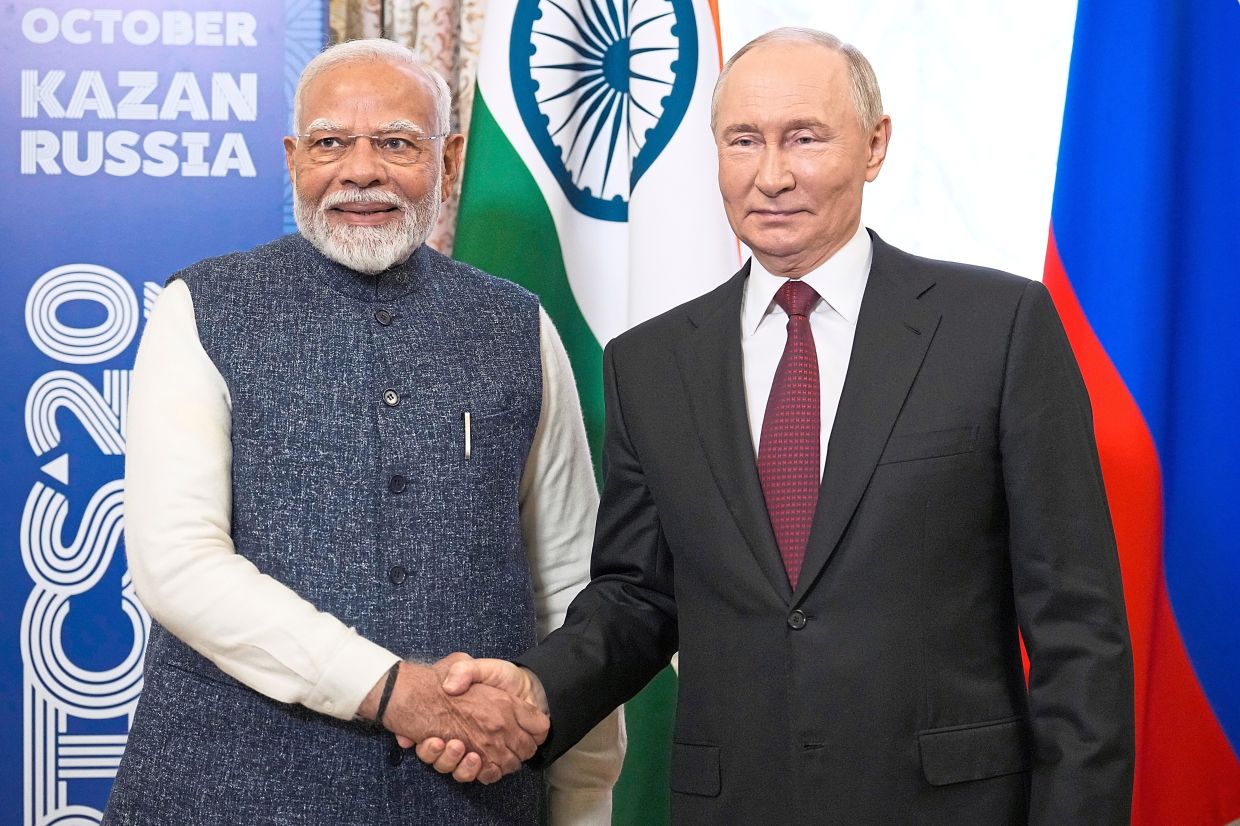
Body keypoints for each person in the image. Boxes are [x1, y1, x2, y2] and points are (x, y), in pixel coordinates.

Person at [419, 27, 1135, 825]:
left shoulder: (997, 328)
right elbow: (638, 597)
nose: (771, 176)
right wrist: (539, 691)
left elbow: (1078, 630)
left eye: (804, 138)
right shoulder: (650, 364)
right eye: (743, 141)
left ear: (874, 146)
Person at [103, 38, 622, 826]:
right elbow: (178, 564)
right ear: (292, 158)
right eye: (329, 143)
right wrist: (393, 692)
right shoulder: (199, 310)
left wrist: (583, 802)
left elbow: (570, 583)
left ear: (448, 161)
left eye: (395, 143)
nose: (360, 170)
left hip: (472, 803)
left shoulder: (518, 324)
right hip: (225, 794)